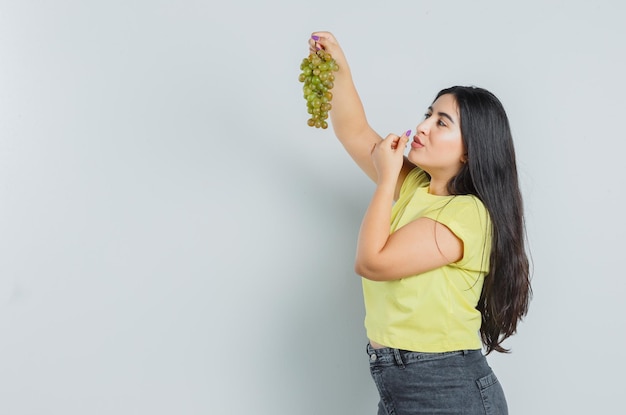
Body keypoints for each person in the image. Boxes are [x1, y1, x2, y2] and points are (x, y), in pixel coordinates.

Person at [307, 32, 532, 415]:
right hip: (401, 384)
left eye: (442, 122)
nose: (423, 126)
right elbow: (354, 131)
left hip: (447, 389)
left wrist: (385, 178)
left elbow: (372, 262)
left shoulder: (469, 214)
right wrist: (339, 68)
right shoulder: (417, 187)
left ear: (469, 151)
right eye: (428, 113)